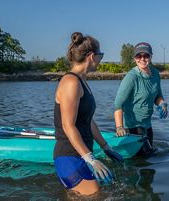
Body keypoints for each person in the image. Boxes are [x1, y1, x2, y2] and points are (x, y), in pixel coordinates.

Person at [54, 32, 123, 196]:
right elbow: (68, 126)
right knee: (95, 196)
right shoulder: (71, 82)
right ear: (92, 56)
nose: (101, 60)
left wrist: (106, 147)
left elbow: (88, 121)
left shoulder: (82, 81)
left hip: (81, 154)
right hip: (69, 156)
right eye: (101, 55)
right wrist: (91, 159)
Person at [114, 42, 168, 155]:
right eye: (139, 56)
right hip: (133, 127)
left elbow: (158, 96)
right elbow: (118, 105)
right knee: (144, 156)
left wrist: (162, 104)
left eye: (146, 55)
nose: (142, 59)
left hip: (147, 125)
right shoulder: (131, 77)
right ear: (134, 58)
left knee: (148, 161)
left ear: (151, 57)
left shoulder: (155, 74)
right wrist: (119, 127)